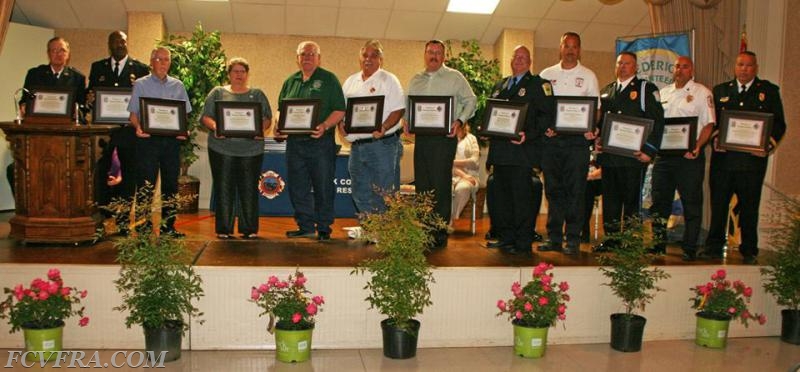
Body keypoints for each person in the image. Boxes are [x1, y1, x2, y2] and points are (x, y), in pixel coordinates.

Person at [702, 51, 786, 264]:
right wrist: (715, 140)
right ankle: (713, 247)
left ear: (755, 68)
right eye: (740, 64)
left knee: (750, 206)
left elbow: (779, 124)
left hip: (752, 162)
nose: (744, 69)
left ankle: (749, 249)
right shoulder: (721, 91)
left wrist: (767, 145)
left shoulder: (768, 91)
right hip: (724, 161)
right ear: (735, 67)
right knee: (719, 204)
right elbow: (713, 123)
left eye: (749, 65)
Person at [407, 39, 477, 248]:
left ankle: (439, 232)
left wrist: (459, 121)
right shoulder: (416, 79)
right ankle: (425, 230)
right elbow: (408, 104)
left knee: (440, 183)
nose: (434, 55)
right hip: (422, 138)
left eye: (438, 52)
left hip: (444, 139)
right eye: (430, 52)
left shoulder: (455, 77)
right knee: (423, 184)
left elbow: (471, 101)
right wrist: (408, 122)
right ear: (425, 54)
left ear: (444, 56)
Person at [485, 45, 553, 255]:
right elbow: (491, 113)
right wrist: (486, 129)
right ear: (511, 60)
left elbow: (547, 116)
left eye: (524, 57)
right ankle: (506, 238)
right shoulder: (500, 85)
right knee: (502, 200)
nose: (519, 60)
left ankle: (522, 242)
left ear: (530, 61)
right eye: (516, 56)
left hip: (522, 153)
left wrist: (528, 135)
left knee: (521, 200)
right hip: (500, 153)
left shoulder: (539, 85)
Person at [593, 51, 664, 252]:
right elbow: (600, 124)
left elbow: (657, 121)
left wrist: (649, 151)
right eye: (619, 63)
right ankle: (612, 239)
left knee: (632, 201)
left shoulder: (645, 89)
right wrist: (598, 142)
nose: (622, 66)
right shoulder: (607, 91)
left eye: (627, 63)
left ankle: (630, 241)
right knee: (611, 201)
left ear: (635, 67)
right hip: (610, 157)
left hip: (634, 158)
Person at [277, 41, 346, 242]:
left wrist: (324, 125)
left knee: (323, 185)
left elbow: (340, 109)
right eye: (303, 54)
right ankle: (305, 226)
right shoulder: (290, 81)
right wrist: (277, 126)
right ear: (297, 58)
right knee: (298, 186)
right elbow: (281, 110)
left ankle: (324, 227)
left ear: (318, 57)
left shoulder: (329, 79)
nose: (307, 57)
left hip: (320, 142)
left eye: (311, 54)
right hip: (295, 144)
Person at [538, 32, 600, 255]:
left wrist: (591, 128)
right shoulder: (547, 74)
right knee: (553, 190)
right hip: (552, 143)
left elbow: (596, 108)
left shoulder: (589, 76)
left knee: (576, 191)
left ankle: (573, 239)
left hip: (577, 143)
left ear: (579, 50)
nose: (571, 50)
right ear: (560, 48)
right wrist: (545, 127)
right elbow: (541, 108)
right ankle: (554, 238)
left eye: (575, 47)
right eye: (567, 46)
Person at [650, 56, 715, 261]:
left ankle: (689, 247)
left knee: (691, 203)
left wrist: (697, 147)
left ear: (692, 70)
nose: (680, 70)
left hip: (689, 156)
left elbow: (709, 124)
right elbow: (655, 124)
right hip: (664, 157)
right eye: (677, 67)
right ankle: (658, 243)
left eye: (685, 67)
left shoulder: (702, 93)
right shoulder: (663, 93)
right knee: (660, 201)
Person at [201, 58, 272, 240]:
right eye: (235, 71)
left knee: (249, 188)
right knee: (224, 187)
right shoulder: (217, 92)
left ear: (247, 74)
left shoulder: (257, 94)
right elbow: (205, 117)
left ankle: (249, 229)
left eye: (242, 71)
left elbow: (266, 118)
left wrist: (260, 130)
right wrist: (217, 127)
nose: (239, 75)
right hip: (221, 149)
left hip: (251, 150)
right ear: (229, 74)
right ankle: (224, 229)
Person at [87, 30, 150, 234]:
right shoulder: (98, 68)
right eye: (115, 42)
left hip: (129, 134)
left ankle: (123, 222)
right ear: (109, 45)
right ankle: (106, 217)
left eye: (122, 41)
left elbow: (144, 101)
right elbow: (91, 96)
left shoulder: (140, 69)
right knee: (103, 177)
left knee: (129, 178)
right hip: (104, 135)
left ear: (127, 43)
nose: (119, 45)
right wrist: (90, 100)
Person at [127, 47, 192, 237]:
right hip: (148, 141)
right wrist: (138, 127)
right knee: (146, 185)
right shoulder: (141, 84)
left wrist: (184, 130)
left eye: (167, 60)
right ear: (151, 61)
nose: (163, 63)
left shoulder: (178, 85)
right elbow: (133, 115)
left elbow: (183, 115)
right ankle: (143, 225)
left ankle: (168, 227)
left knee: (171, 185)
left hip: (171, 143)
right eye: (160, 59)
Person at [340, 40, 405, 222]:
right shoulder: (350, 81)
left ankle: (384, 231)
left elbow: (399, 109)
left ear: (380, 59)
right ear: (360, 58)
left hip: (382, 144)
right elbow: (342, 111)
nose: (368, 59)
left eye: (373, 55)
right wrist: (341, 126)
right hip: (357, 147)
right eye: (365, 55)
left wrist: (383, 127)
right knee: (359, 188)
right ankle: (369, 226)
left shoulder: (389, 79)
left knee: (384, 190)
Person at [21, 37, 87, 120]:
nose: (58, 54)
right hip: (39, 124)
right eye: (54, 51)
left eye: (62, 50)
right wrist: (24, 106)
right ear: (48, 54)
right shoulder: (35, 74)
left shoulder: (78, 78)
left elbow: (82, 106)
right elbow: (24, 100)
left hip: (66, 127)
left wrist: (76, 112)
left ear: (68, 54)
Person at [450, 124, 479, 230]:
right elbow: (443, 164)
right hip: (450, 175)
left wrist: (452, 162)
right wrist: (463, 174)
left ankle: (451, 219)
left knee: (463, 189)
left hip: (471, 176)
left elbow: (474, 162)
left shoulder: (472, 138)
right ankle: (445, 222)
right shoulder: (446, 138)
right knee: (444, 187)